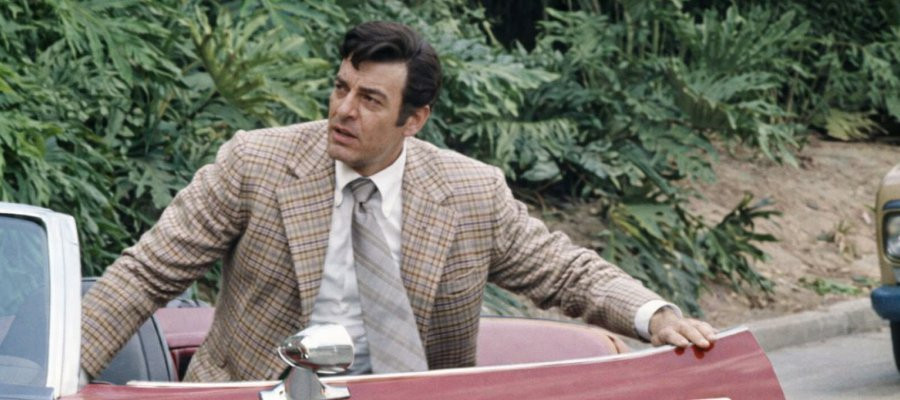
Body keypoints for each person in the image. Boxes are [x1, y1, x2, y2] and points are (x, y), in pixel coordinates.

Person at [81, 21, 716, 382]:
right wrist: (59, 373)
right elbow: (146, 274)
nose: (343, 110)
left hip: (406, 396)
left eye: (370, 100)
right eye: (341, 87)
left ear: (414, 120)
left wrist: (655, 315)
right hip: (256, 395)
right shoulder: (256, 163)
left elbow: (564, 271)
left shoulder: (469, 193)